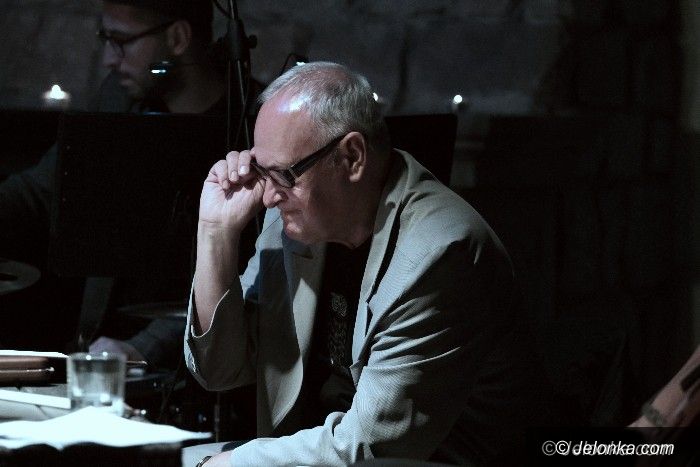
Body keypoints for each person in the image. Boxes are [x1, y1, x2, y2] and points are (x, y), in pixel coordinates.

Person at [183, 62, 538, 466]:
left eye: (283, 174)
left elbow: (372, 447)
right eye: (264, 173)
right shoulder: (294, 218)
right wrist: (215, 233)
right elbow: (220, 371)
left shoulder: (438, 252)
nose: (267, 197)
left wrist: (232, 464)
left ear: (352, 157)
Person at [0, 0, 232, 367]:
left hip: (190, 365)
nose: (109, 59)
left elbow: (250, 279)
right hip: (99, 350)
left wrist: (147, 347)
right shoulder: (120, 99)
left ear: (177, 37)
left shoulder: (244, 124)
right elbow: (43, 190)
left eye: (121, 41)